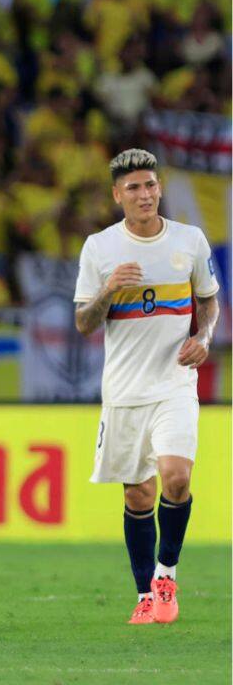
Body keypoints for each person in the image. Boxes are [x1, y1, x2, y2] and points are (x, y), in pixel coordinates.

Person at [73, 149, 220, 625]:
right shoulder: (100, 248)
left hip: (174, 382)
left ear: (160, 188)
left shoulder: (189, 240)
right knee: (138, 496)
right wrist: (108, 290)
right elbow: (83, 323)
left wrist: (203, 337)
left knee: (176, 478)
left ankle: (166, 576)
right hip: (124, 391)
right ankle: (143, 595)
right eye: (133, 187)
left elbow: (209, 301)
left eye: (150, 185)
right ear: (117, 195)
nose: (145, 194)